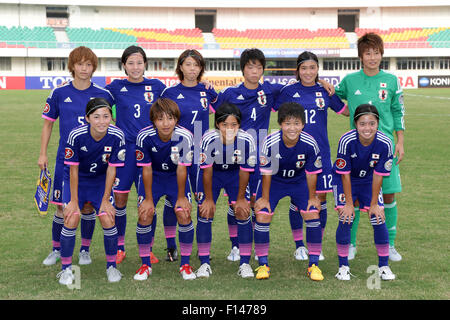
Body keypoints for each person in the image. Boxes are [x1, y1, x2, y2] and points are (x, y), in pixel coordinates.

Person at [39, 46, 114, 266]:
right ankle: (56, 249)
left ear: (94, 67)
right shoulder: (59, 93)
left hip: (96, 163)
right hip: (66, 160)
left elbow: (112, 122)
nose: (84, 68)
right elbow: (47, 125)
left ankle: (85, 250)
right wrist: (42, 153)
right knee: (62, 207)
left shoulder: (104, 94)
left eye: (88, 64)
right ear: (72, 66)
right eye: (80, 64)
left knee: (88, 206)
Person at [335, 32, 405, 261]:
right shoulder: (350, 80)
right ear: (361, 56)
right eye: (368, 53)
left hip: (385, 147)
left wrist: (400, 141)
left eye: (376, 52)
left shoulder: (392, 80)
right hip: (356, 149)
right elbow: (332, 97)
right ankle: (351, 243)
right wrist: (343, 110)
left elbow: (398, 112)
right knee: (353, 198)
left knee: (390, 195)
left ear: (381, 54)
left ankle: (390, 245)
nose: (372, 57)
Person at [275, 51, 348, 261]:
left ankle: (317, 244)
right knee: (297, 200)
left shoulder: (325, 91)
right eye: (304, 68)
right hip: (293, 153)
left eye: (312, 68)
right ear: (297, 70)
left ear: (317, 69)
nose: (308, 72)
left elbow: (344, 111)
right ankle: (299, 245)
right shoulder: (289, 90)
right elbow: (270, 105)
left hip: (321, 154)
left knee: (320, 199)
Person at [105, 45, 166, 264]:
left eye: (139, 62)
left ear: (145, 64)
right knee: (120, 198)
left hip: (150, 151)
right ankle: (120, 247)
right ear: (124, 65)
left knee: (148, 200)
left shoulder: (157, 86)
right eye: (130, 63)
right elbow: (98, 106)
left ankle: (147, 247)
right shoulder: (115, 88)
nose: (135, 67)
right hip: (124, 151)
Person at [57, 98, 125, 285]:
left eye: (106, 116)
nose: (102, 121)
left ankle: (111, 267)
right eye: (96, 117)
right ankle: (66, 270)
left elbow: (112, 168)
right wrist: (73, 201)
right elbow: (73, 170)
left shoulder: (117, 135)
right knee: (71, 216)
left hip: (101, 182)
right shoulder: (76, 135)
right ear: (87, 118)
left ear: (111, 117)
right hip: (77, 180)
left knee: (107, 216)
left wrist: (105, 199)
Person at [254, 102, 323, 281]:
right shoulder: (270, 142)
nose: (292, 128)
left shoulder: (310, 143)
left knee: (312, 212)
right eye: (287, 123)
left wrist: (312, 196)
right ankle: (263, 264)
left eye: (297, 123)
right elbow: (267, 173)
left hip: (298, 181)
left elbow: (311, 173)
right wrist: (265, 198)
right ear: (280, 124)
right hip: (275, 181)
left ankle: (313, 264)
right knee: (263, 214)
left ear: (303, 124)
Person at [160, 49, 218, 262]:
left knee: (203, 199)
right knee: (173, 200)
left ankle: (204, 251)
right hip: (177, 153)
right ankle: (171, 247)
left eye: (196, 65)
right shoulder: (170, 93)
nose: (192, 69)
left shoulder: (208, 92)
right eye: (188, 64)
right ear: (181, 67)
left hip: (202, 154)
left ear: (201, 68)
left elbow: (224, 114)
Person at [333, 104, 396, 281]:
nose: (367, 128)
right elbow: (344, 174)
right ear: (355, 124)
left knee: (378, 217)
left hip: (369, 181)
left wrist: (375, 204)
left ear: (377, 123)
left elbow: (378, 175)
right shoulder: (346, 140)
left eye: (371, 123)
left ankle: (384, 266)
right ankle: (343, 266)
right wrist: (348, 203)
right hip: (346, 180)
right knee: (346, 217)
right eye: (362, 124)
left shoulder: (385, 143)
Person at [134, 98, 195, 281]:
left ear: (176, 119)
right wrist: (148, 199)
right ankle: (145, 264)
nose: (165, 123)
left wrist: (182, 196)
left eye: (170, 118)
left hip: (176, 178)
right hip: (153, 177)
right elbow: (145, 168)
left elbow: (182, 168)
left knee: (183, 213)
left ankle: (185, 264)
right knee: (145, 214)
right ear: (153, 120)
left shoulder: (185, 136)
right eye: (160, 119)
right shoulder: (144, 136)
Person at [195, 103, 257, 279]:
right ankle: (204, 263)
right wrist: (208, 199)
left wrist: (240, 199)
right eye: (225, 125)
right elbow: (206, 171)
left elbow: (245, 171)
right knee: (205, 213)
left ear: (239, 125)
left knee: (243, 212)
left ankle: (244, 263)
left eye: (234, 125)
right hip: (213, 175)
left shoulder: (247, 139)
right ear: (217, 125)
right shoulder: (208, 139)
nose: (229, 129)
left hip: (235, 174)